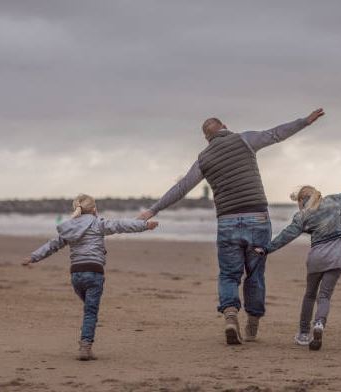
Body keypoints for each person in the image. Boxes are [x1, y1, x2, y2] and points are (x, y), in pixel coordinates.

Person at [138, 109, 325, 344]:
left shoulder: (203, 158)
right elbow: (276, 134)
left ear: (207, 138)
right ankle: (252, 325)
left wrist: (153, 210)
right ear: (225, 126)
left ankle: (229, 315)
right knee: (255, 274)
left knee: (228, 274)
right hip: (257, 218)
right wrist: (304, 122)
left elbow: (182, 188)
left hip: (227, 221)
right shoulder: (244, 139)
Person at [254, 171, 341, 350]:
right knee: (324, 296)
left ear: (301, 201)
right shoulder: (334, 201)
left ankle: (303, 334)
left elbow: (285, 236)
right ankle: (319, 324)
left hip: (317, 259)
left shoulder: (302, 216)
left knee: (309, 295)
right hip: (337, 258)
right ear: (316, 193)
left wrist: (267, 249)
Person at [22, 194, 159, 360]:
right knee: (90, 312)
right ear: (94, 209)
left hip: (76, 275)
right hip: (94, 272)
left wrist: (33, 257)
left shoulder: (70, 228)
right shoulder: (98, 223)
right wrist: (144, 225)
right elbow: (120, 225)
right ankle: (85, 347)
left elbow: (53, 245)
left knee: (89, 309)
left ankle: (86, 337)